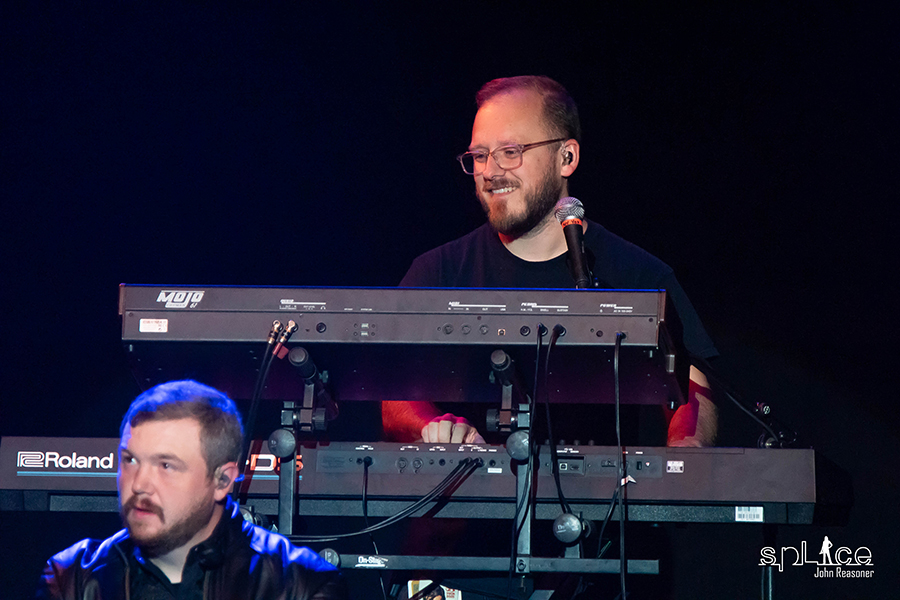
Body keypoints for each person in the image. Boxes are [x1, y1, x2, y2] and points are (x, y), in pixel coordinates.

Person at [383, 75, 718, 448]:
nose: (491, 172)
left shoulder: (638, 273)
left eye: (510, 151)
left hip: (600, 504)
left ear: (567, 158)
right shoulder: (438, 272)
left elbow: (693, 395)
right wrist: (433, 425)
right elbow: (396, 395)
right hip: (464, 499)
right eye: (480, 156)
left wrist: (684, 465)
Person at [38, 380, 345, 600]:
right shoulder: (72, 577)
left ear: (222, 481)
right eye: (130, 460)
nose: (140, 483)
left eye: (166, 466)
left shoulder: (300, 584)